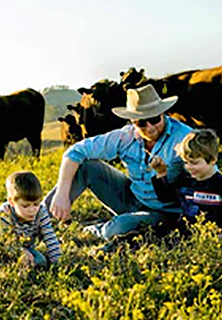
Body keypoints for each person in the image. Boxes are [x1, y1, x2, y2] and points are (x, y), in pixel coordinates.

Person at [44, 84, 192, 244]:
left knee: (119, 228)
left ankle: (97, 230)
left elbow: (210, 174)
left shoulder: (185, 137)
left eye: (154, 119)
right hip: (132, 197)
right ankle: (37, 221)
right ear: (132, 122)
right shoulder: (125, 136)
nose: (149, 128)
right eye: (141, 123)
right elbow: (74, 152)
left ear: (163, 113)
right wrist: (62, 194)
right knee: (86, 166)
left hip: (165, 211)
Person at [149, 128, 222, 235]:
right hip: (187, 232)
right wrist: (161, 174)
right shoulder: (186, 181)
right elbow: (165, 197)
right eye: (186, 162)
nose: (189, 167)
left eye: (194, 163)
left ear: (212, 160)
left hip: (214, 234)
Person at [0, 170, 62, 268]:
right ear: (12, 202)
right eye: (25, 206)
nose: (32, 210)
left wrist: (57, 263)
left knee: (41, 261)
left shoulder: (41, 211)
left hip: (26, 248)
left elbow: (50, 237)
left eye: (36, 204)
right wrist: (21, 253)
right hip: (0, 245)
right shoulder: (4, 213)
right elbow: (8, 240)